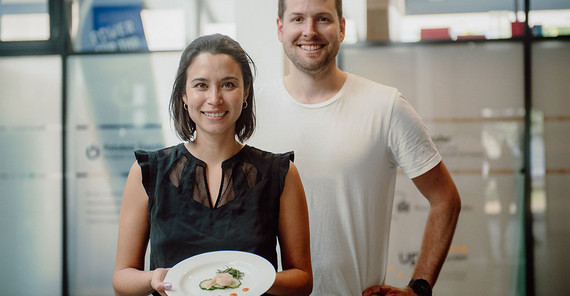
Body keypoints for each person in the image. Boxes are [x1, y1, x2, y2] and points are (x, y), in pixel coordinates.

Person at [247, 0, 461, 295]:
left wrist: (419, 288)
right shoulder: (249, 111)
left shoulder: (386, 106)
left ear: (342, 27)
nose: (310, 31)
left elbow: (445, 199)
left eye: (322, 19)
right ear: (280, 28)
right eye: (298, 19)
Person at [112, 34, 312, 296]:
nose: (215, 98)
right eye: (201, 85)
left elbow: (303, 281)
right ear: (184, 95)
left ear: (246, 92)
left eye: (228, 84)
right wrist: (154, 278)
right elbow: (121, 279)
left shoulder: (280, 173)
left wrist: (258, 278)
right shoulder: (148, 172)